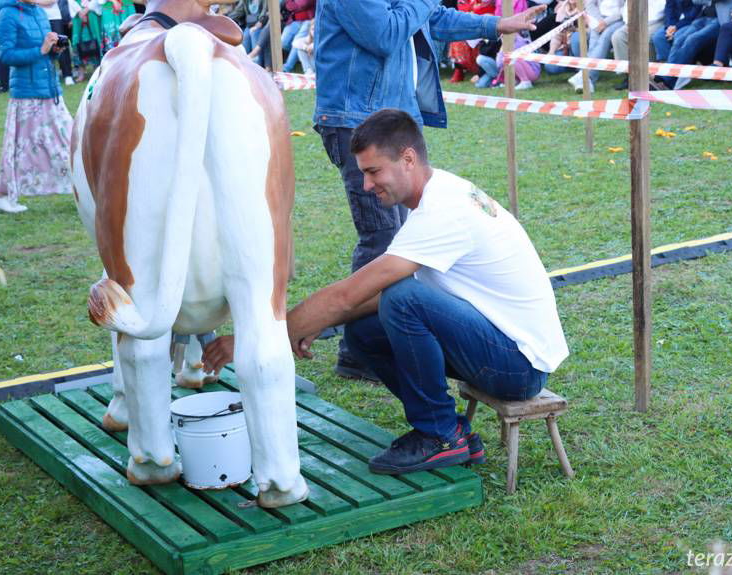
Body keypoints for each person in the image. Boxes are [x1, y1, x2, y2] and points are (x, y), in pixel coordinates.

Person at [204, 109, 569, 475]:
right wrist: (317, 323)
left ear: (407, 159)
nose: (366, 185)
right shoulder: (435, 194)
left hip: (519, 365)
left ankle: (440, 436)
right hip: (499, 343)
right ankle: (449, 428)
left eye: (373, 171)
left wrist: (256, 339)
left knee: (400, 298)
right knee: (363, 331)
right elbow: (367, 299)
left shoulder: (443, 211)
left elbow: (352, 294)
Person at [313, 0, 546, 380]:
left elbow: (430, 18)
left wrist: (498, 24)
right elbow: (385, 34)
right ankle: (359, 349)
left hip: (391, 116)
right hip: (357, 119)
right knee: (383, 238)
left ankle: (376, 337)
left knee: (399, 236)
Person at [0, 0, 73, 213]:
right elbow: (6, 55)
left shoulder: (39, 12)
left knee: (70, 138)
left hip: (50, 89)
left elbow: (46, 53)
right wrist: (41, 49)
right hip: (27, 95)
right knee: (21, 149)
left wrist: (55, 50)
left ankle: (0, 194)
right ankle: (1, 194)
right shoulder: (7, 14)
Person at [567, 0, 625, 92]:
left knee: (604, 38)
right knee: (593, 43)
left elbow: (625, 9)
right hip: (599, 18)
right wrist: (599, 21)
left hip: (619, 20)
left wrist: (605, 23)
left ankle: (583, 75)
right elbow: (590, 4)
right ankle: (588, 81)